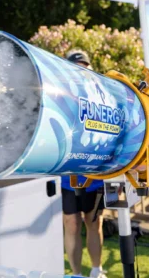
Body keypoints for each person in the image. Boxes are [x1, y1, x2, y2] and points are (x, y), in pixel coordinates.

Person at [62, 49, 107, 278]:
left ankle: (97, 269)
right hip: (68, 175)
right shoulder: (60, 97)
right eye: (76, 66)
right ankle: (76, 273)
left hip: (94, 175)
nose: (81, 70)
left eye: (84, 66)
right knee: (71, 224)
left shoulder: (101, 98)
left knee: (94, 222)